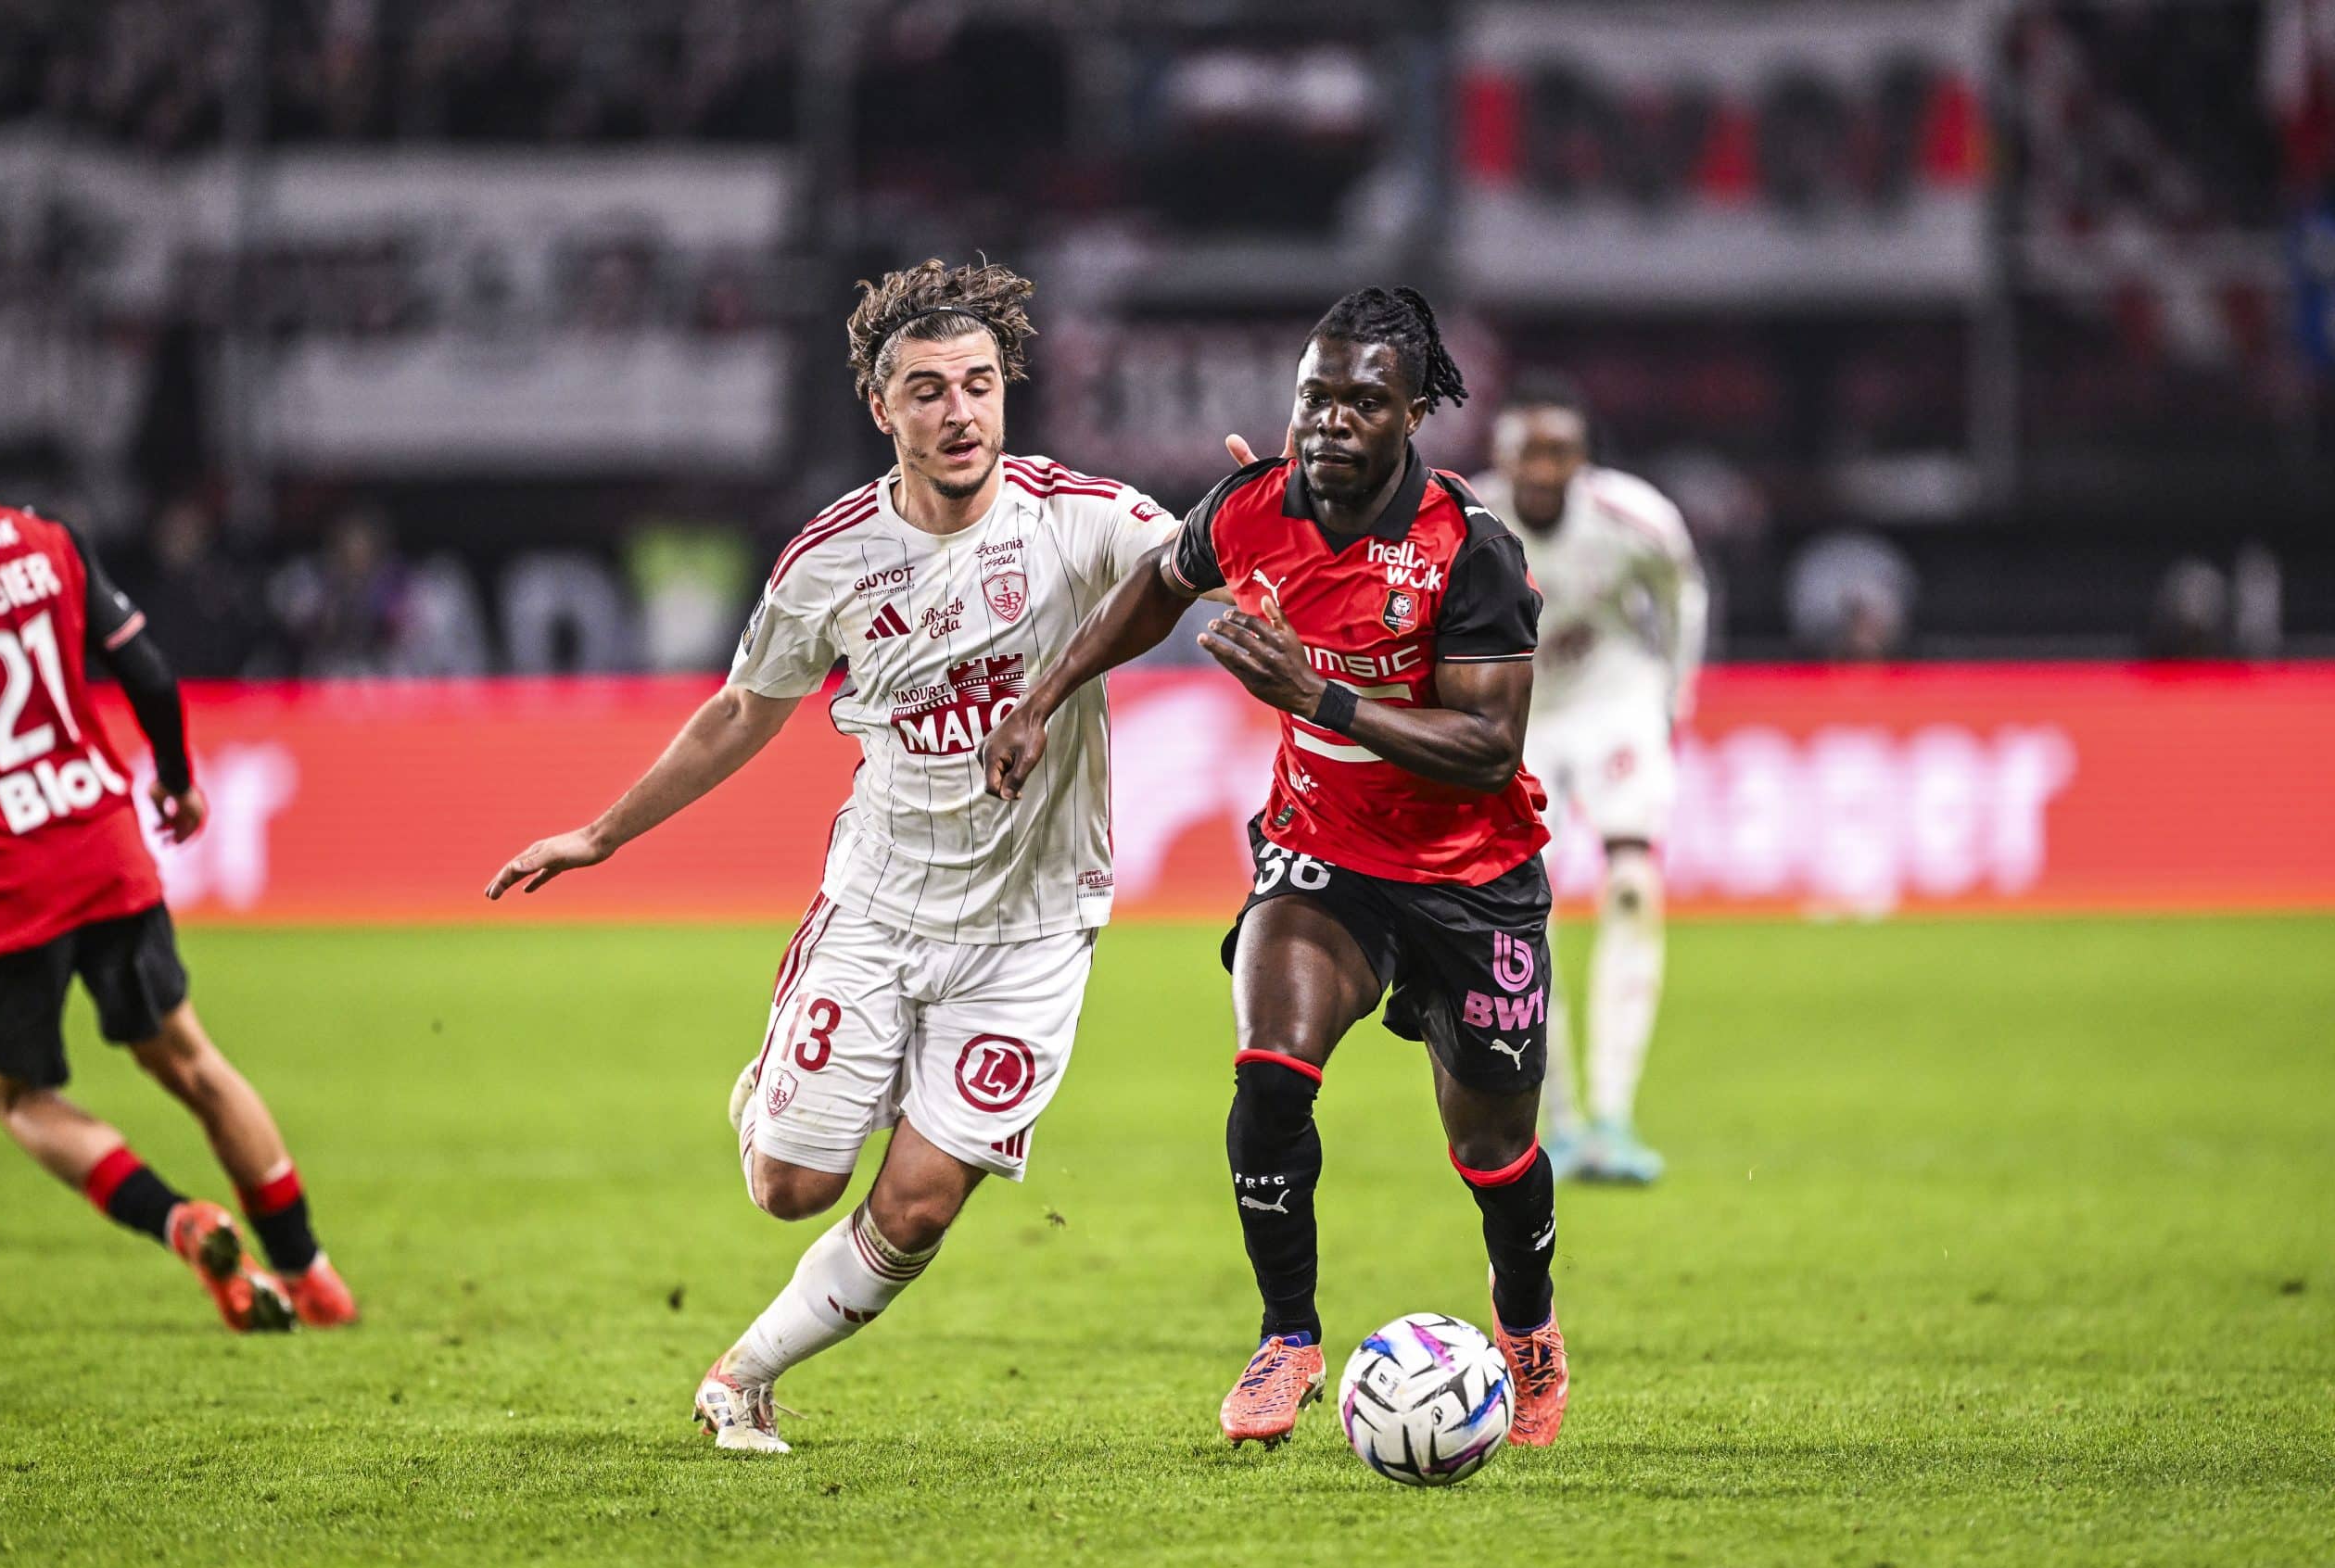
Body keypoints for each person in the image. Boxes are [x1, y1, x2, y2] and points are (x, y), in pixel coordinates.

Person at [486, 259, 1180, 1455]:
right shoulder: (831, 559)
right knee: (790, 1188)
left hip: (1033, 927)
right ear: (881, 407)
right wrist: (602, 832)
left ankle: (742, 1376)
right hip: (881, 902)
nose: (958, 413)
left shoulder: (1081, 518)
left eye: (976, 386)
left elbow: (1197, 564)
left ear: (1005, 393)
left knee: (916, 1204)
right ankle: (772, 1097)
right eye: (925, 391)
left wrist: (1272, 525)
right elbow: (743, 711)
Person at [982, 287, 1569, 1451]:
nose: (1329, 423)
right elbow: (1154, 585)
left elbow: (1488, 748)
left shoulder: (1470, 550)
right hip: (1324, 854)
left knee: (1491, 1147)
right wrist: (1044, 696)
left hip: (1473, 872)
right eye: (1314, 397)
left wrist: (1317, 694)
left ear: (1412, 418)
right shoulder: (1250, 512)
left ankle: (1529, 1323)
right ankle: (1288, 1338)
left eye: (1363, 403)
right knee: (1268, 1070)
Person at [0, 498, 357, 1332]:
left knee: (18, 1098)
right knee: (191, 1060)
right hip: (101, 840)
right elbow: (142, 667)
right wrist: (176, 777)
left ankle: (180, 1220)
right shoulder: (45, 539)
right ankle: (311, 1273)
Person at [1472, 382, 1707, 1185]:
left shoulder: (1637, 517)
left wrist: (1674, 699)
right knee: (1523, 917)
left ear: (1582, 458)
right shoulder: (1468, 521)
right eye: (1528, 453)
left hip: (1614, 696)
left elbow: (1683, 597)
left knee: (1635, 884)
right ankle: (1563, 1120)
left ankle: (1614, 1110)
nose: (1543, 469)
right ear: (1502, 458)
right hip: (1521, 709)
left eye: (1558, 452)